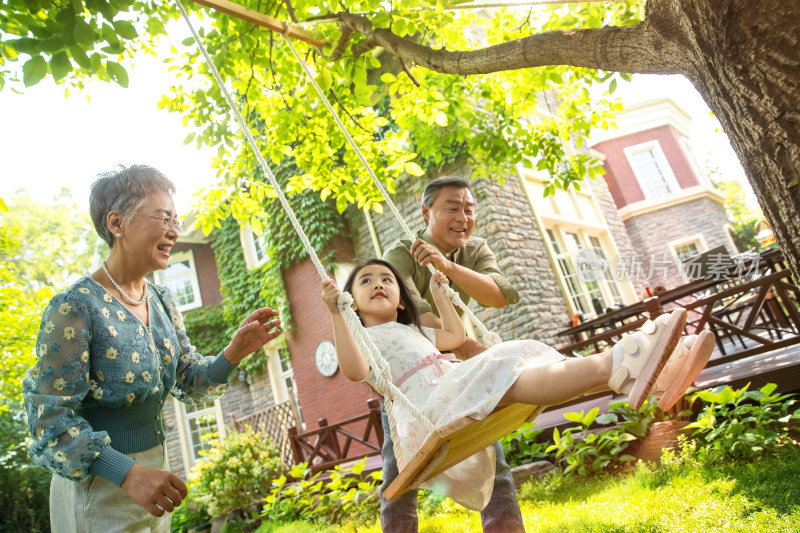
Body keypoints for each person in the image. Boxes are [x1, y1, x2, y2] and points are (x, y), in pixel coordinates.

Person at [320, 259, 714, 511]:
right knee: (505, 363)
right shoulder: (363, 339)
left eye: (386, 279)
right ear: (351, 303)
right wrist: (337, 315)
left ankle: (639, 371)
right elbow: (354, 371)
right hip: (431, 408)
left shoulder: (412, 331)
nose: (378, 284)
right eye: (366, 281)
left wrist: (440, 295)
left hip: (450, 388)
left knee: (524, 349)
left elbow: (455, 335)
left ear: (402, 301)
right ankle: (625, 361)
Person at [22, 165, 282, 533]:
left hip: (155, 479)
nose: (174, 231)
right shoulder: (74, 308)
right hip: (98, 486)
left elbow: (189, 380)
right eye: (163, 218)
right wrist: (128, 474)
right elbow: (49, 420)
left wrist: (233, 353)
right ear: (117, 222)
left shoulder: (162, 301)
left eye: (176, 219)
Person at [381, 176, 522, 532]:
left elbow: (499, 295)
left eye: (469, 209)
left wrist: (448, 267)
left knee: (491, 454)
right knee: (400, 471)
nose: (463, 217)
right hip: (407, 374)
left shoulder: (474, 249)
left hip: (448, 367)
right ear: (426, 212)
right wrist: (462, 344)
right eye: (452, 208)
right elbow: (414, 315)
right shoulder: (400, 253)